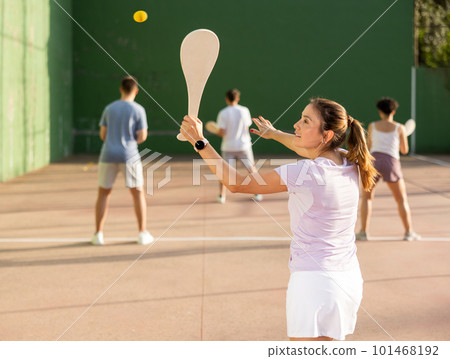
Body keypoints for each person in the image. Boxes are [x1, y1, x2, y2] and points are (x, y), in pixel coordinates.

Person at [180, 97, 377, 341]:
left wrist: (200, 142)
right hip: (348, 280)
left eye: (305, 121)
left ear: (326, 135)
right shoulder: (350, 159)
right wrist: (273, 134)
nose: (296, 125)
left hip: (314, 284)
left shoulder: (307, 173)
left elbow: (238, 184)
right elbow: (305, 148)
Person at [91, 76, 154, 246]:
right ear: (136, 91)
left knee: (103, 193)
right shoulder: (139, 109)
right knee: (138, 193)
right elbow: (142, 137)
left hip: (107, 155)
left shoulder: (109, 108)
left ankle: (98, 235)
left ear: (120, 89)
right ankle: (142, 233)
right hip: (130, 155)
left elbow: (103, 135)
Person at [355, 97, 420, 242]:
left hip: (374, 162)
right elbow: (404, 150)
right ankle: (409, 233)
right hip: (391, 162)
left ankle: (363, 232)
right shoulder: (400, 128)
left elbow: (370, 146)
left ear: (380, 112)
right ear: (393, 111)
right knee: (401, 199)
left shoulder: (372, 125)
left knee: (367, 198)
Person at [215, 89, 262, 203]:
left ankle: (222, 196)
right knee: (251, 169)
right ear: (237, 98)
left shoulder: (223, 113)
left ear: (227, 99)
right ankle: (258, 192)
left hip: (228, 147)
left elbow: (222, 132)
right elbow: (246, 127)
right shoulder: (244, 110)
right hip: (244, 146)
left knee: (224, 172)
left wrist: (216, 131)